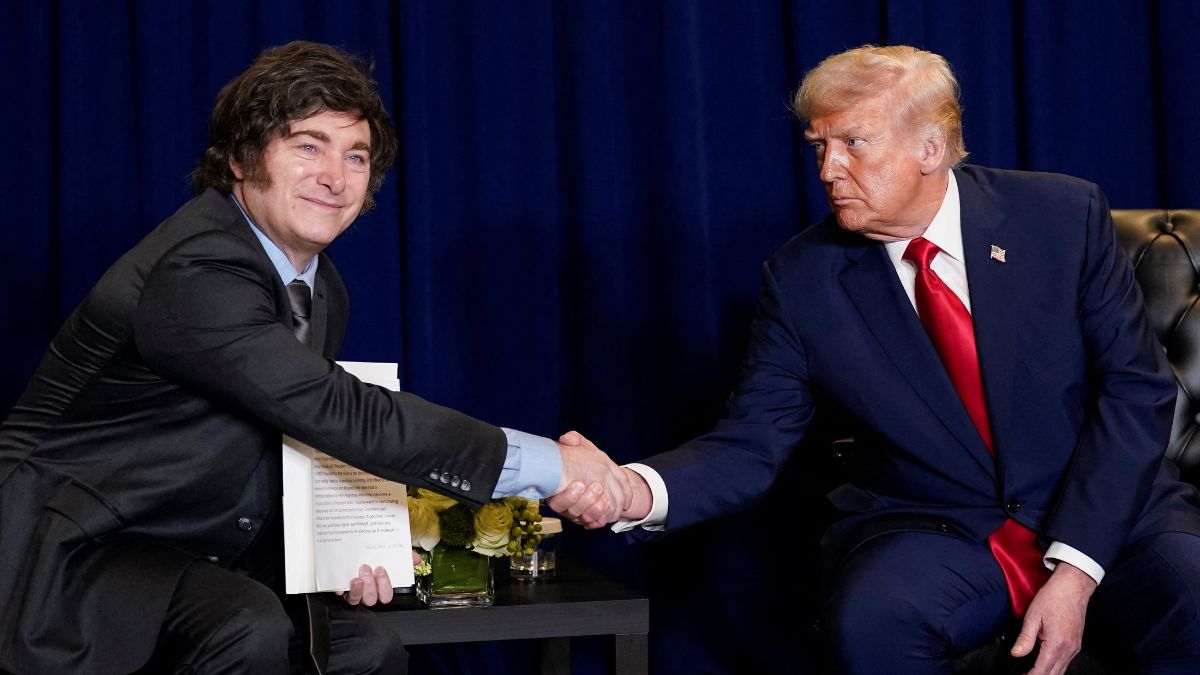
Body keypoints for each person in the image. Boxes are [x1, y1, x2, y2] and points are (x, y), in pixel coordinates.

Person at [552, 45, 1200, 674]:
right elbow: (751, 444)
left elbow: (1136, 392)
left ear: (931, 148)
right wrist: (631, 489)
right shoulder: (801, 278)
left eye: (852, 143)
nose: (829, 169)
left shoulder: (1062, 216)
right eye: (819, 147)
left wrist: (1078, 568)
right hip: (939, 525)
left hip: (1100, 503)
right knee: (870, 619)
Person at [0, 41, 628, 675]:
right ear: (241, 161)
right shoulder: (197, 268)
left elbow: (283, 436)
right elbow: (335, 410)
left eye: (355, 155)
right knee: (244, 627)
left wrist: (336, 550)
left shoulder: (319, 286)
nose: (336, 176)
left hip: (194, 550)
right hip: (75, 554)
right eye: (307, 146)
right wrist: (555, 466)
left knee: (367, 651)